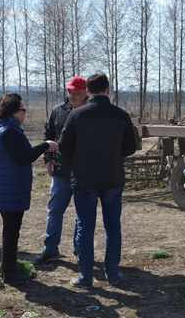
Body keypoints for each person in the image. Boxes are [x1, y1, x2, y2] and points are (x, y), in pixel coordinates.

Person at [58, 72, 137, 288]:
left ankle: (85, 276)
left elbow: (64, 148)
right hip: (112, 176)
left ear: (88, 92)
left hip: (84, 179)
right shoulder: (121, 115)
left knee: (85, 226)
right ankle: (112, 273)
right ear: (108, 90)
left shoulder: (76, 115)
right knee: (113, 226)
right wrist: (113, 152)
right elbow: (131, 147)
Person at [0, 93, 58, 285]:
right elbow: (23, 157)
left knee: (10, 229)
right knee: (11, 231)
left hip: (6, 187)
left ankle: (7, 268)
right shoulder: (8, 131)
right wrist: (45, 145)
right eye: (24, 110)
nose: (25, 113)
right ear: (14, 112)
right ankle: (9, 273)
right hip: (10, 188)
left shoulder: (0, 128)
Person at [33, 76, 87, 265]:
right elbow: (48, 135)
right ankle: (50, 249)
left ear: (85, 92)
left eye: (76, 92)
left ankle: (80, 250)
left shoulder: (90, 112)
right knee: (54, 211)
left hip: (84, 173)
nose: (72, 96)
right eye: (70, 92)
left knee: (82, 215)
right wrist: (48, 159)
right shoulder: (58, 111)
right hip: (62, 170)